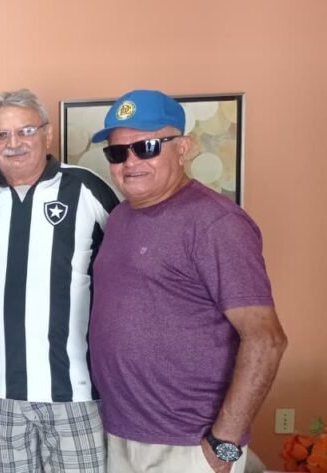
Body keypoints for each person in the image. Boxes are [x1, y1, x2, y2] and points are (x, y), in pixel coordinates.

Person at [89, 89, 287, 473]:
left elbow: (267, 339)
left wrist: (224, 442)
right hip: (122, 433)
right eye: (117, 152)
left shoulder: (216, 223)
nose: (131, 162)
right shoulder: (121, 218)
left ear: (183, 148)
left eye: (146, 147)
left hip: (189, 443)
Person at [0, 89, 118, 473]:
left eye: (25, 130)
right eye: (1, 135)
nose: (14, 143)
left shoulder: (85, 189)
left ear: (47, 133)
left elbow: (132, 270)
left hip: (77, 395)